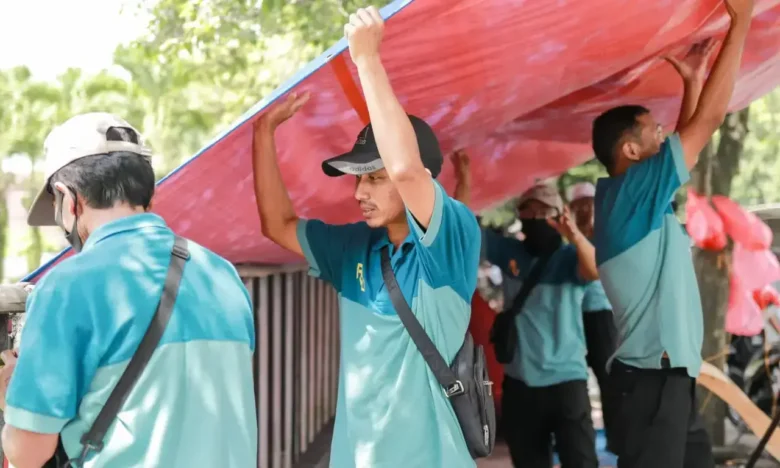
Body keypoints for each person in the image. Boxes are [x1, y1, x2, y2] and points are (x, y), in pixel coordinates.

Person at [252, 7, 479, 467]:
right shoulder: (354, 247)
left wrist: (368, 62)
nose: (359, 193)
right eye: (357, 179)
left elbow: (406, 169)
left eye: (373, 178)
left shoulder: (449, 241)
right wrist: (263, 134)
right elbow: (277, 225)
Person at [0, 113, 257, 467]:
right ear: (149, 198)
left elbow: (27, 454)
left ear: (68, 199)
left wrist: (15, 399)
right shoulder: (222, 273)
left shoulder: (65, 287)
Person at [591, 0, 753, 465]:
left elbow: (689, 148)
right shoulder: (630, 196)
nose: (664, 137)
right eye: (653, 131)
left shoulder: (636, 200)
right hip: (652, 382)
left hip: (668, 376)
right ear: (630, 150)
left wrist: (693, 81)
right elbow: (706, 126)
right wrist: (738, 23)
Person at [478, 179, 600, 468]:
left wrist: (575, 236)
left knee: (582, 461)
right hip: (521, 384)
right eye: (528, 213)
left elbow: (594, 271)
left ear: (559, 217)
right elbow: (465, 232)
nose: (535, 219)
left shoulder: (571, 257)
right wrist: (470, 180)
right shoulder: (508, 252)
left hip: (567, 382)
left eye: (543, 213)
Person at [567, 181, 619, 454]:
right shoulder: (568, 236)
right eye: (581, 204)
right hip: (571, 312)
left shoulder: (606, 233)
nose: (586, 209)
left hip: (601, 313)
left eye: (590, 203)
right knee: (573, 379)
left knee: (607, 376)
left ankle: (616, 437)